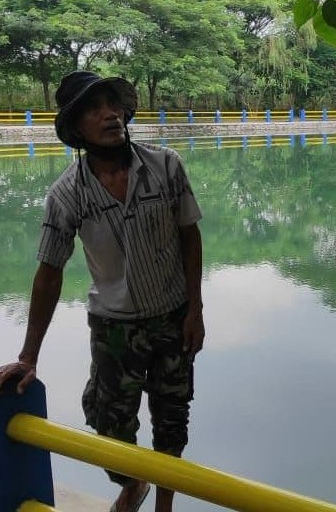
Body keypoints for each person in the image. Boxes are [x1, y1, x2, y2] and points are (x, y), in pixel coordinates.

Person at [0, 71, 204, 512]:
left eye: (113, 104)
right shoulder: (67, 194)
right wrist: (29, 356)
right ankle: (133, 483)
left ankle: (163, 506)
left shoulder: (166, 166)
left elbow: (190, 235)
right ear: (76, 129)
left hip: (172, 316)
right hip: (113, 327)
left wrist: (195, 310)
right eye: (94, 109)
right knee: (109, 424)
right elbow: (50, 271)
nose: (109, 114)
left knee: (172, 418)